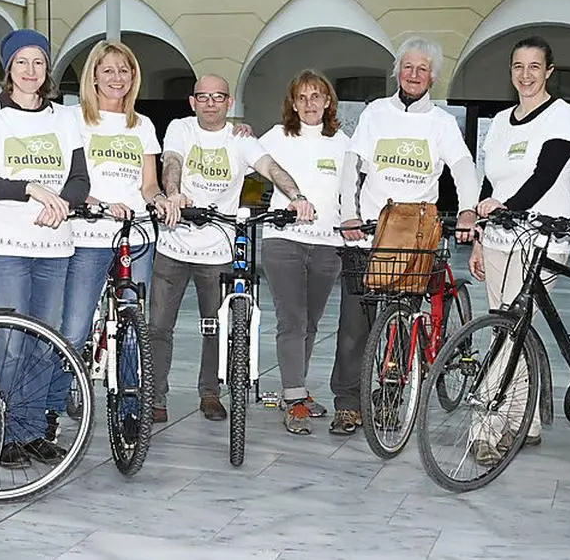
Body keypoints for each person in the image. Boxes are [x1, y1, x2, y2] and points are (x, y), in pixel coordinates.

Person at [332, 35, 479, 435]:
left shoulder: (443, 123)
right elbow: (352, 165)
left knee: (402, 322)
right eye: (408, 67)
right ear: (398, 70)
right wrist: (347, 214)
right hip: (368, 232)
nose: (414, 75)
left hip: (416, 236)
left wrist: (468, 208)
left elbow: (463, 166)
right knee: (353, 326)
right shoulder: (375, 113)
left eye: (423, 69)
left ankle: (391, 397)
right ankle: (347, 403)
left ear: (433, 76)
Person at [150, 74, 315, 423]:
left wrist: (297, 196)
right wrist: (174, 192)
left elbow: (270, 167)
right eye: (203, 97)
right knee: (159, 327)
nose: (210, 103)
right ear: (193, 102)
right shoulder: (181, 128)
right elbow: (173, 161)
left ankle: (210, 392)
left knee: (215, 327)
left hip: (218, 251)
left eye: (218, 97)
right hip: (173, 244)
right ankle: (155, 396)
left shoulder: (241, 139)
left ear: (229, 103)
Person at [0, 28, 90, 467]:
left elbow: (79, 180)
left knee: (44, 343)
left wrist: (64, 204)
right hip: (5, 247)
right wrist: (31, 188)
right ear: (8, 69)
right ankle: (5, 433)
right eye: (22, 62)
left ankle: (33, 431)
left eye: (38, 62)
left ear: (47, 69)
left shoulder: (66, 116)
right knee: (11, 343)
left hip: (55, 247)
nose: (30, 71)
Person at [47, 40, 172, 434]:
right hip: (88, 234)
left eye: (125, 70)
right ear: (94, 76)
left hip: (135, 238)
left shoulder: (142, 124)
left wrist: (161, 200)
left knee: (133, 326)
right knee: (75, 326)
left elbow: (149, 185)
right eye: (109, 70)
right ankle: (50, 405)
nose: (118, 78)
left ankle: (130, 410)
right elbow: (64, 177)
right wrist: (97, 201)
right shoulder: (73, 119)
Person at [467, 36, 570, 460]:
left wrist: (508, 208)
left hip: (540, 239)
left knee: (510, 329)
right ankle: (525, 421)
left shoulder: (563, 116)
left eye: (535, 66)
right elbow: (488, 183)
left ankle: (485, 426)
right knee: (508, 328)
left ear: (549, 71)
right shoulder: (499, 121)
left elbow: (546, 173)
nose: (526, 74)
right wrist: (481, 234)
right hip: (498, 239)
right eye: (519, 66)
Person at [258, 70, 350, 435]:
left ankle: (296, 390)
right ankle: (293, 396)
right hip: (284, 241)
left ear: (328, 101)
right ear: (293, 104)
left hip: (328, 243)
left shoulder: (343, 142)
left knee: (311, 323)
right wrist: (239, 132)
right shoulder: (277, 137)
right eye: (303, 97)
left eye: (317, 96)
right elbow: (246, 154)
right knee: (292, 320)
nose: (310, 103)